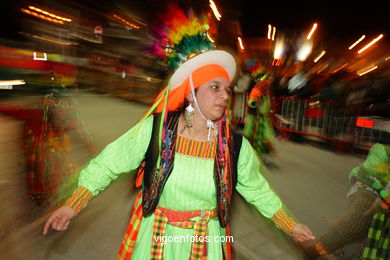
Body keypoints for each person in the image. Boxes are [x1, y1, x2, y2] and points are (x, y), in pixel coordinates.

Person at [43, 6, 315, 259]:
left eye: (227, 89)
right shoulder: (156, 132)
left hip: (206, 243)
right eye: (214, 87)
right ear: (191, 95)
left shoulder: (234, 147)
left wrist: (291, 226)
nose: (225, 96)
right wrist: (72, 206)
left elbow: (259, 191)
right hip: (155, 239)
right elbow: (107, 164)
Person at [0, 89, 97, 207]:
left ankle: (57, 192)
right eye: (59, 108)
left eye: (66, 107)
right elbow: (12, 110)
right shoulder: (37, 113)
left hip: (51, 142)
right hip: (33, 140)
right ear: (52, 109)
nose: (63, 111)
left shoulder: (71, 118)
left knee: (62, 162)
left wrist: (94, 153)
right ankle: (38, 193)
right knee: (38, 165)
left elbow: (86, 136)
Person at [304, 141, 389, 259]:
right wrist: (382, 191)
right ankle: (318, 248)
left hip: (380, 200)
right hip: (368, 190)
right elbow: (365, 172)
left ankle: (340, 234)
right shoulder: (383, 152)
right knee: (357, 223)